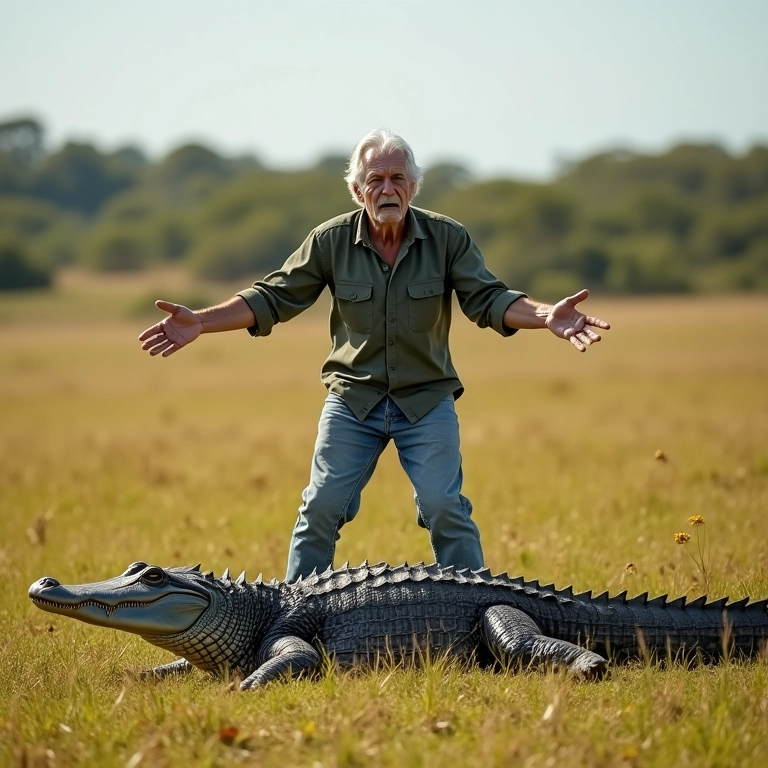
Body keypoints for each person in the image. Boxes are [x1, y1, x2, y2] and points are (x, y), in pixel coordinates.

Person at [139, 129, 610, 582]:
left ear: (413, 186)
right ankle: (290, 622)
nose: (388, 189)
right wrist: (201, 320)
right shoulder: (330, 241)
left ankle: (478, 617)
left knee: (445, 508)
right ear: (356, 189)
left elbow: (489, 299)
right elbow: (273, 297)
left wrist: (546, 313)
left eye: (398, 179)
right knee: (321, 507)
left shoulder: (447, 239)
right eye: (376, 180)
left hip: (426, 401)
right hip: (353, 401)